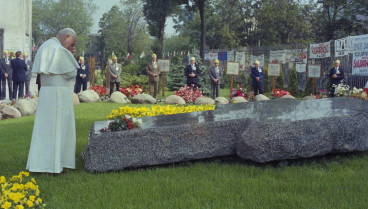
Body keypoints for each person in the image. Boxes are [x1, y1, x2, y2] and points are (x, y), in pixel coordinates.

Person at [27, 28, 79, 173]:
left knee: (45, 130)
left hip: (47, 94)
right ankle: (55, 165)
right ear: (67, 37)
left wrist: (68, 52)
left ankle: (42, 164)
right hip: (58, 95)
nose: (72, 47)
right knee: (58, 128)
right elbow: (72, 72)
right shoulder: (58, 49)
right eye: (72, 43)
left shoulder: (46, 45)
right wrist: (69, 54)